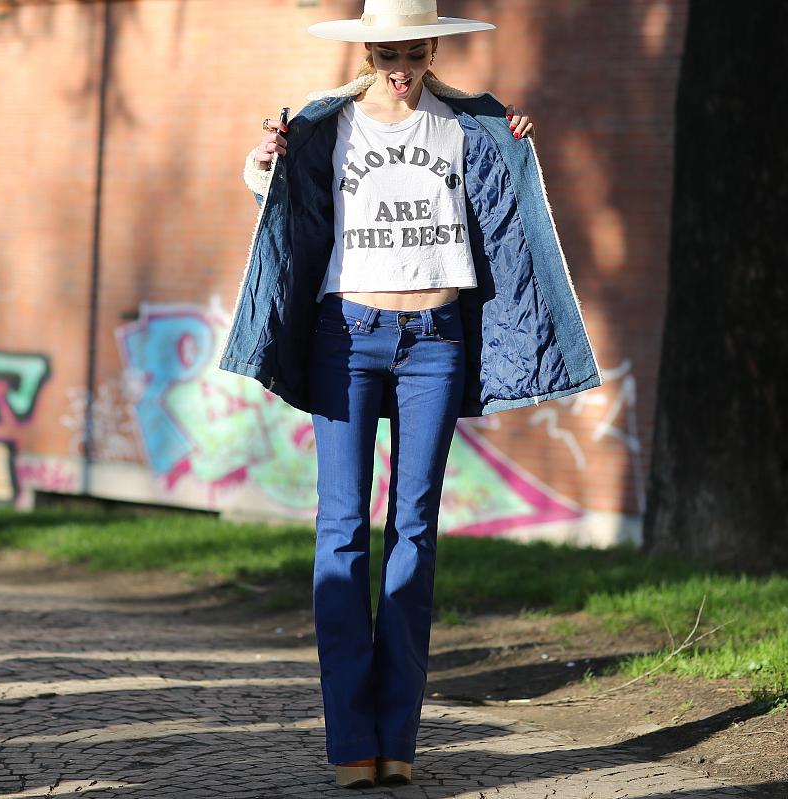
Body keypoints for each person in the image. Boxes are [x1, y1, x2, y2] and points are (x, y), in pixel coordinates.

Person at [221, 0, 602, 788]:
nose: (401, 66)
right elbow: (278, 200)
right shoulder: (325, 126)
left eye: (415, 52)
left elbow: (506, 207)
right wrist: (264, 158)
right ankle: (351, 741)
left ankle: (398, 736)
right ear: (367, 51)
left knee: (417, 530)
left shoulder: (469, 125)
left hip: (436, 342)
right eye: (387, 52)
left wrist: (513, 145)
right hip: (346, 339)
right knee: (341, 534)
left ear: (433, 50)